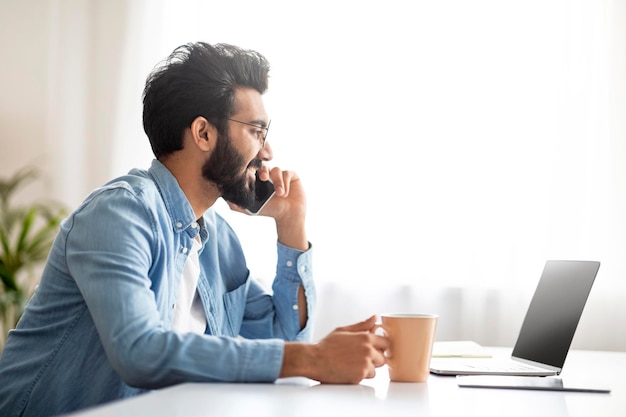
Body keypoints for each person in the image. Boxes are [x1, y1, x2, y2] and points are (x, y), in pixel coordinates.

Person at [0, 42, 389, 416]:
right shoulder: (120, 213)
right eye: (257, 131)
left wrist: (292, 223)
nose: (268, 152)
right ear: (203, 133)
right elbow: (140, 351)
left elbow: (288, 343)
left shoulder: (216, 238)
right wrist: (316, 357)